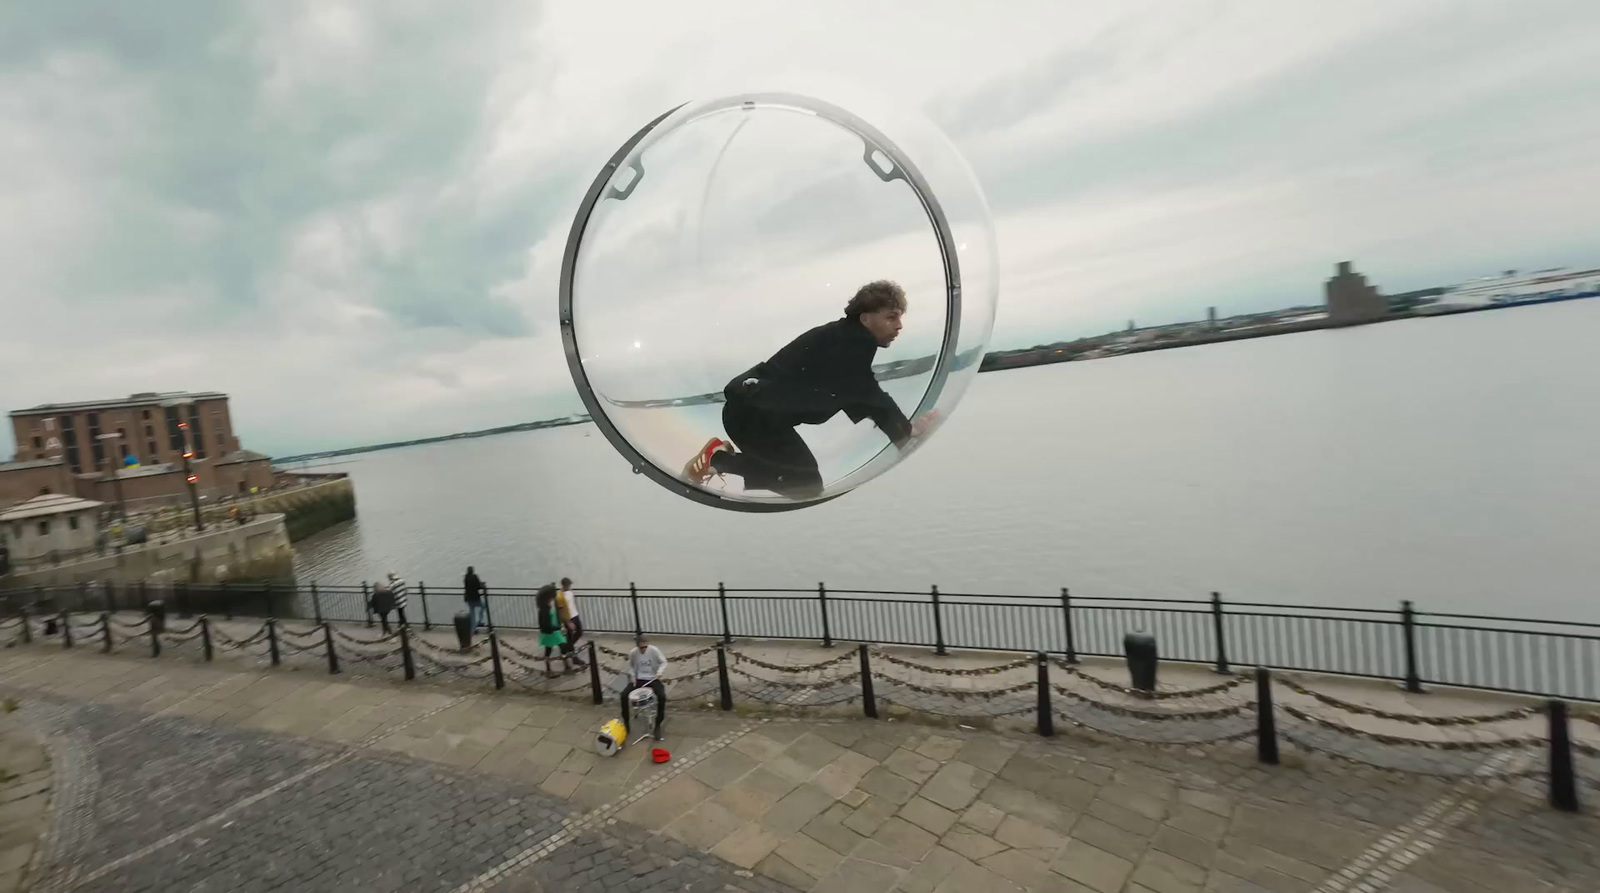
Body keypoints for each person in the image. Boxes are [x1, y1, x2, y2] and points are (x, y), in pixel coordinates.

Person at [682, 280, 938, 499]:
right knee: (806, 484)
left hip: (758, 414)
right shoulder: (851, 342)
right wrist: (906, 432)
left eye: (900, 317)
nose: (899, 325)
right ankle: (716, 460)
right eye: (891, 317)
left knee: (804, 483)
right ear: (866, 318)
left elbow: (861, 392)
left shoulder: (846, 338)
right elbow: (866, 391)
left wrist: (902, 430)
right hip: (753, 415)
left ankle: (717, 460)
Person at [620, 634, 668, 741]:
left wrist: (659, 673)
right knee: (623, 695)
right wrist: (632, 675)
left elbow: (664, 662)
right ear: (637, 647)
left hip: (652, 678)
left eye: (645, 647)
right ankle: (626, 723)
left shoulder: (654, 650)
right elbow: (630, 665)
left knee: (662, 696)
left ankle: (657, 725)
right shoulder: (633, 653)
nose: (643, 649)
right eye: (641, 648)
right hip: (639, 679)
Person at [535, 584, 572, 676]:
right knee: (552, 649)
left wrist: (561, 625)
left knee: (561, 647)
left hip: (555, 630)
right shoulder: (544, 609)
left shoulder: (549, 605)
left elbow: (556, 616)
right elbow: (545, 624)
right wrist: (559, 628)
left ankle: (563, 667)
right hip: (551, 632)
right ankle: (551, 669)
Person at [555, 577, 587, 668]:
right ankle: (573, 657)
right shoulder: (560, 597)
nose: (570, 587)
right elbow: (561, 611)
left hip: (575, 615)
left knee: (579, 632)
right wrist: (568, 622)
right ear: (565, 585)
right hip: (569, 618)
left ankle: (566, 648)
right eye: (569, 585)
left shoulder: (569, 593)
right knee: (569, 636)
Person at [463, 566, 487, 632]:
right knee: (484, 606)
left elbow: (468, 586)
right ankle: (480, 620)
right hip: (475, 597)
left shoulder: (466, 578)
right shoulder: (474, 577)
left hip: (468, 598)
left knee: (472, 612)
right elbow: (478, 586)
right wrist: (482, 585)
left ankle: (473, 628)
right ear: (472, 571)